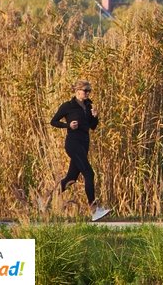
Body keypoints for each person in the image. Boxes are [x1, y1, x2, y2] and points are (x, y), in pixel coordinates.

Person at [50, 79, 110, 222]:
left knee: (71, 178)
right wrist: (68, 125)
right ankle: (94, 210)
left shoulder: (89, 105)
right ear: (77, 91)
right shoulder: (68, 106)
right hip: (73, 143)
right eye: (86, 91)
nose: (88, 93)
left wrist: (95, 117)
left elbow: (93, 126)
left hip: (84, 143)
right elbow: (53, 121)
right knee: (89, 173)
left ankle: (45, 200)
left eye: (89, 91)